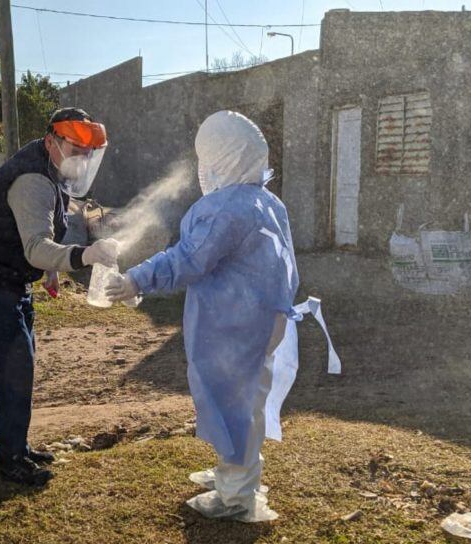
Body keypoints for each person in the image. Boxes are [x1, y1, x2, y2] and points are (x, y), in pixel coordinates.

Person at [106, 110, 340, 521]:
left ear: (221, 159)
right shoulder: (269, 202)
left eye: (206, 158)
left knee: (235, 405)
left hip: (235, 327)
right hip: (262, 322)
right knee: (241, 401)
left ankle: (237, 494)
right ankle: (232, 473)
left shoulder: (224, 208)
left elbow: (189, 259)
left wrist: (137, 280)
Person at [0, 107, 118, 486]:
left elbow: (43, 234)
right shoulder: (33, 180)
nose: (81, 159)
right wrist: (82, 256)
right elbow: (35, 245)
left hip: (8, 275)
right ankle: (11, 457)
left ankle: (15, 446)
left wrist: (51, 271)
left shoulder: (50, 170)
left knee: (18, 361)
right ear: (51, 141)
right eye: (75, 149)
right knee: (15, 361)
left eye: (86, 153)